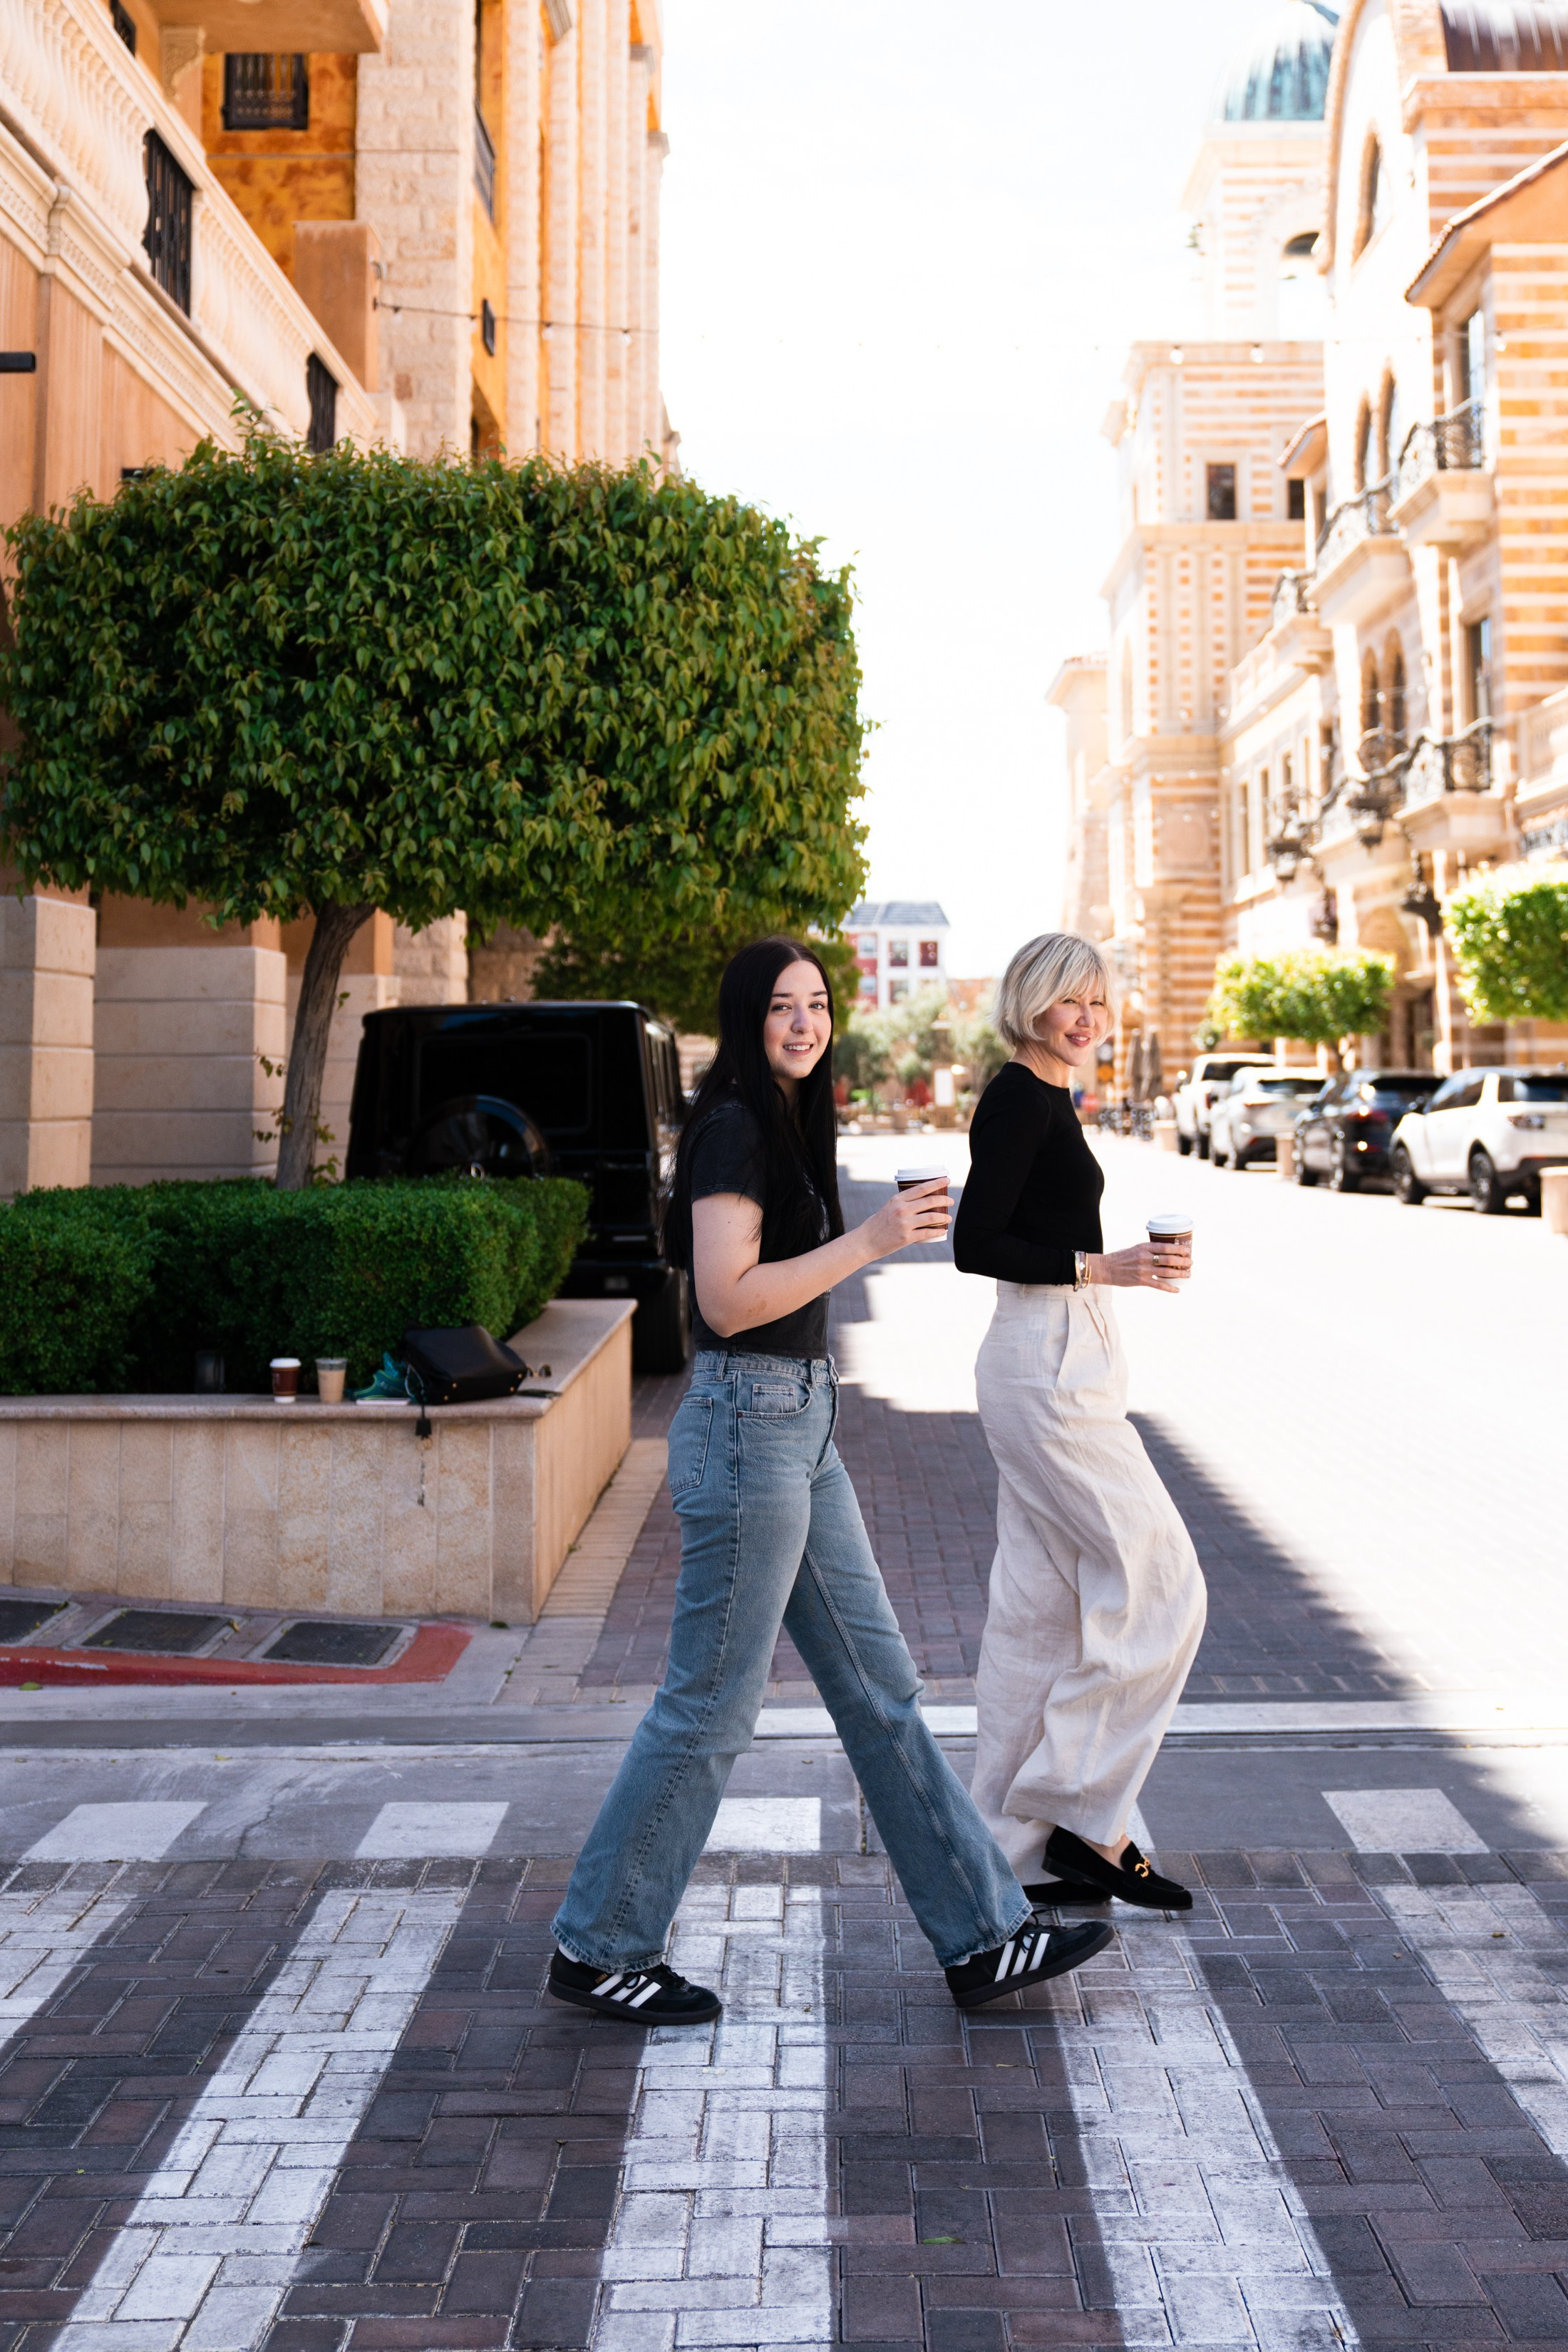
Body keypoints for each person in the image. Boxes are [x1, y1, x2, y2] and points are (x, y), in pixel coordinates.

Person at [548, 937, 1113, 2023]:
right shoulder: (731, 1131)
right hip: (747, 1424)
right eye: (780, 1007)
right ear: (745, 1017)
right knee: (710, 1705)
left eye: (816, 1005)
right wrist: (872, 1241)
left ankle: (984, 1935)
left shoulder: (786, 1124)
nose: (803, 1024)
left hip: (800, 1424)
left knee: (880, 1688)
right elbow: (726, 1300)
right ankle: (599, 1942)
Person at [953, 933, 1206, 1912]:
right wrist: (1110, 1268)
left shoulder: (1045, 1096)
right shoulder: (1020, 1095)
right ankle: (1080, 1817)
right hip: (1047, 1366)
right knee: (1163, 1585)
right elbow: (978, 1241)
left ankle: (1007, 1851)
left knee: (1042, 1613)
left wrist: (1108, 1277)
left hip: (1057, 1359)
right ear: (1030, 1002)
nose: (1089, 1019)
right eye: (1072, 1001)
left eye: (1100, 1003)